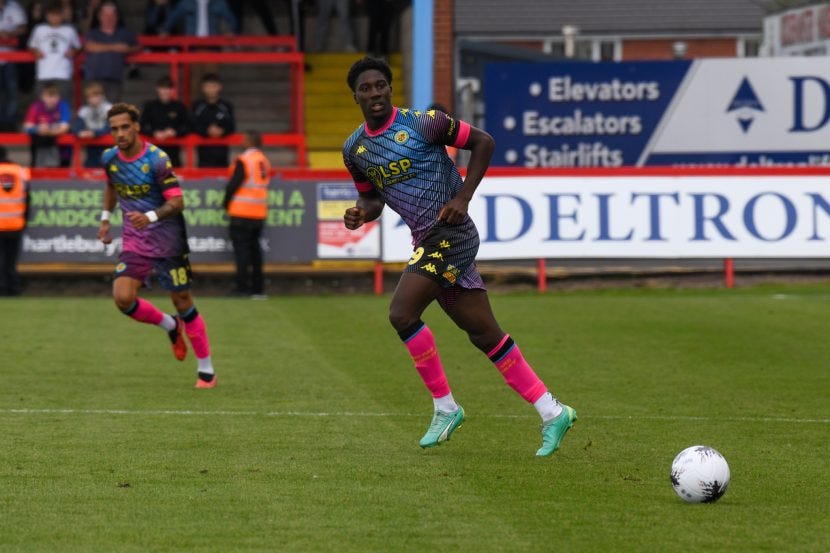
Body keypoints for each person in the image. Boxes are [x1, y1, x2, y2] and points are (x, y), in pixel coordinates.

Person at [341, 57, 577, 456]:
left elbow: (484, 141)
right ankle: (553, 412)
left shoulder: (424, 122)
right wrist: (361, 212)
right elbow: (371, 196)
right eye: (366, 88)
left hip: (452, 234)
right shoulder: (355, 149)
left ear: (391, 88)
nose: (375, 92)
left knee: (401, 313)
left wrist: (462, 197)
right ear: (356, 97)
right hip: (427, 240)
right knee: (485, 334)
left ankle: (445, 408)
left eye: (381, 84)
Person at [97, 102, 218, 388]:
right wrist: (105, 220)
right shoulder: (109, 158)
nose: (120, 134)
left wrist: (149, 216)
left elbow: (178, 202)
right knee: (123, 298)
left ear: (137, 126)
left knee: (182, 300)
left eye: (125, 127)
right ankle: (170, 325)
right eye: (114, 129)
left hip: (168, 240)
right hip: (135, 241)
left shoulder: (156, 159)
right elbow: (112, 186)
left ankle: (206, 370)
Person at [222, 130, 269, 298]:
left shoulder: (244, 160)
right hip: (258, 213)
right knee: (255, 251)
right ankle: (258, 289)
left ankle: (241, 287)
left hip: (241, 212)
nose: (242, 141)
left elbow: (233, 184)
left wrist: (225, 203)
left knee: (241, 252)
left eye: (245, 139)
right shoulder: (263, 160)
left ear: (250, 141)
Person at [83, 1, 139, 103]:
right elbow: (90, 47)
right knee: (93, 113)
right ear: (100, 17)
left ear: (117, 17)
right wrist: (115, 47)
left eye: (112, 15)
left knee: (112, 112)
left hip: (114, 79)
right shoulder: (93, 32)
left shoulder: (124, 33)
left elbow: (138, 46)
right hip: (94, 78)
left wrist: (128, 49)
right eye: (106, 15)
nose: (109, 18)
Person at [26, 0, 80, 102]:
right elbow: (31, 45)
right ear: (47, 15)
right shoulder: (39, 29)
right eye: (52, 15)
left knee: (63, 102)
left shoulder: (69, 30)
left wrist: (73, 51)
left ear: (62, 15)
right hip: (43, 73)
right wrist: (35, 51)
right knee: (41, 103)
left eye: (57, 15)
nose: (55, 18)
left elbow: (78, 47)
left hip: (63, 73)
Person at [140, 75, 189, 167]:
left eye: (168, 88)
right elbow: (141, 126)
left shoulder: (179, 106)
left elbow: (188, 126)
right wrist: (154, 133)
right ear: (157, 89)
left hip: (173, 154)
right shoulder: (150, 106)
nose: (165, 91)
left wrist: (175, 132)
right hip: (153, 153)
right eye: (163, 88)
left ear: (173, 90)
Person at [0, 146, 30, 296]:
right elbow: (27, 198)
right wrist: (24, 220)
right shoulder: (20, 171)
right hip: (15, 224)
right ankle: (13, 289)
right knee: (11, 261)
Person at [23, 80, 71, 167]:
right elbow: (27, 127)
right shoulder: (36, 106)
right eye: (48, 96)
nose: (51, 99)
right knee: (34, 136)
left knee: (68, 134)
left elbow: (65, 127)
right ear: (42, 96)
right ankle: (36, 166)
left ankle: (63, 166)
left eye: (54, 96)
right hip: (40, 137)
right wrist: (38, 129)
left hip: (56, 136)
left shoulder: (63, 105)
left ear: (58, 97)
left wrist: (49, 131)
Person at [191, 72, 234, 167]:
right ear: (203, 88)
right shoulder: (197, 106)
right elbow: (193, 125)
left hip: (222, 154)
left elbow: (231, 126)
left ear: (219, 87)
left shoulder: (226, 106)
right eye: (208, 86)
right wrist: (207, 131)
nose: (211, 89)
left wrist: (222, 131)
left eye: (214, 86)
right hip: (203, 154)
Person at [0, 0, 27, 131]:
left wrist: (10, 33)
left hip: (10, 57)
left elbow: (23, 27)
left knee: (11, 92)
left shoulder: (14, 6)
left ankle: (8, 124)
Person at [71, 80, 111, 167]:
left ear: (102, 96)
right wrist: (79, 133)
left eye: (96, 96)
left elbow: (108, 128)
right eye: (90, 97)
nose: (94, 99)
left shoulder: (109, 109)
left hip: (107, 147)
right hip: (91, 148)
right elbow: (75, 127)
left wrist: (94, 133)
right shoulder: (84, 110)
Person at [162, 0, 236, 36]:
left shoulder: (219, 2)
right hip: (192, 44)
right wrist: (165, 29)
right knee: (191, 64)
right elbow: (173, 16)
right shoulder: (187, 2)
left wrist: (231, 31)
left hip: (212, 43)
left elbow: (232, 19)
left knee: (211, 65)